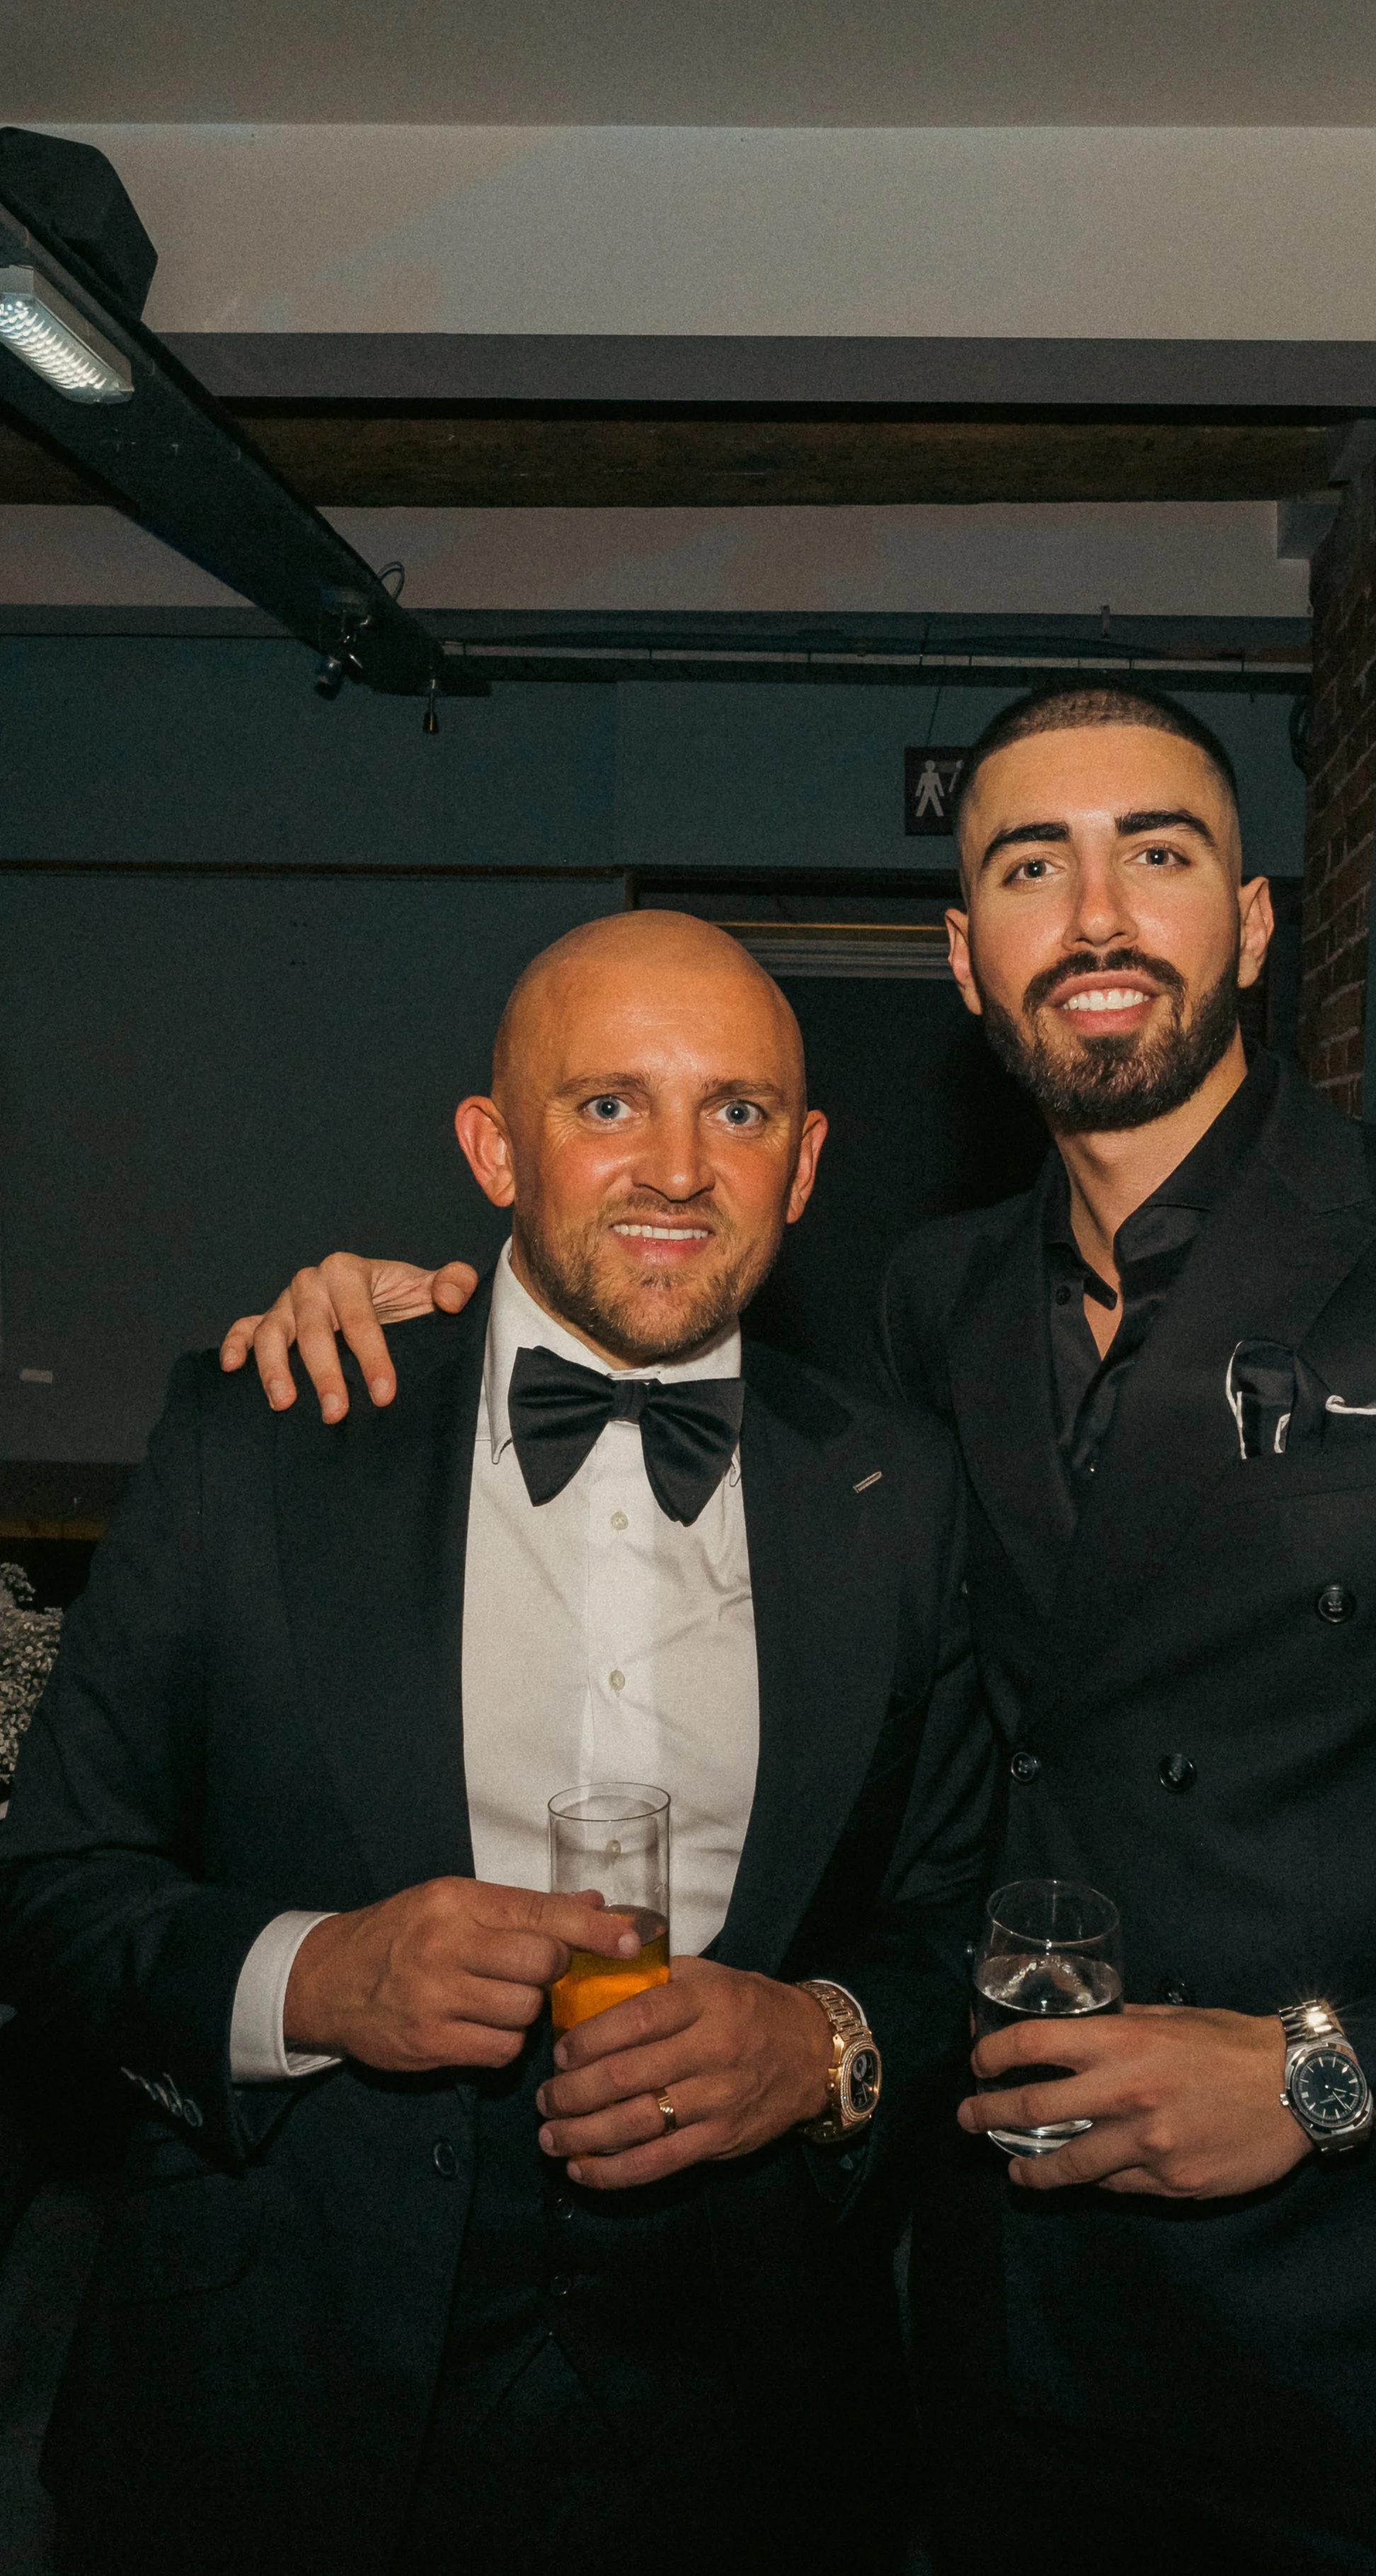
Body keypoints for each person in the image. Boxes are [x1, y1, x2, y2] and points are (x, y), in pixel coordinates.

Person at [212, 685, 1376, 2576]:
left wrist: (1325, 2066)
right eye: (1032, 864)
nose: (1097, 912)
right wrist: (412, 1325)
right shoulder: (918, 1303)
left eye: (1160, 851)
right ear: (965, 956)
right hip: (1015, 2340)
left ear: (1253, 923)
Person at [0, 912, 991, 2576]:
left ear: (805, 1163)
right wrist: (311, 1981)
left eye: (737, 1112)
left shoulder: (901, 1493)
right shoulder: (264, 1440)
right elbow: (50, 1888)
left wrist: (819, 2045)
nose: (677, 1168)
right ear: (491, 1145)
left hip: (746, 2427)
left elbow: (960, 1916)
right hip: (276, 2399)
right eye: (608, 1105)